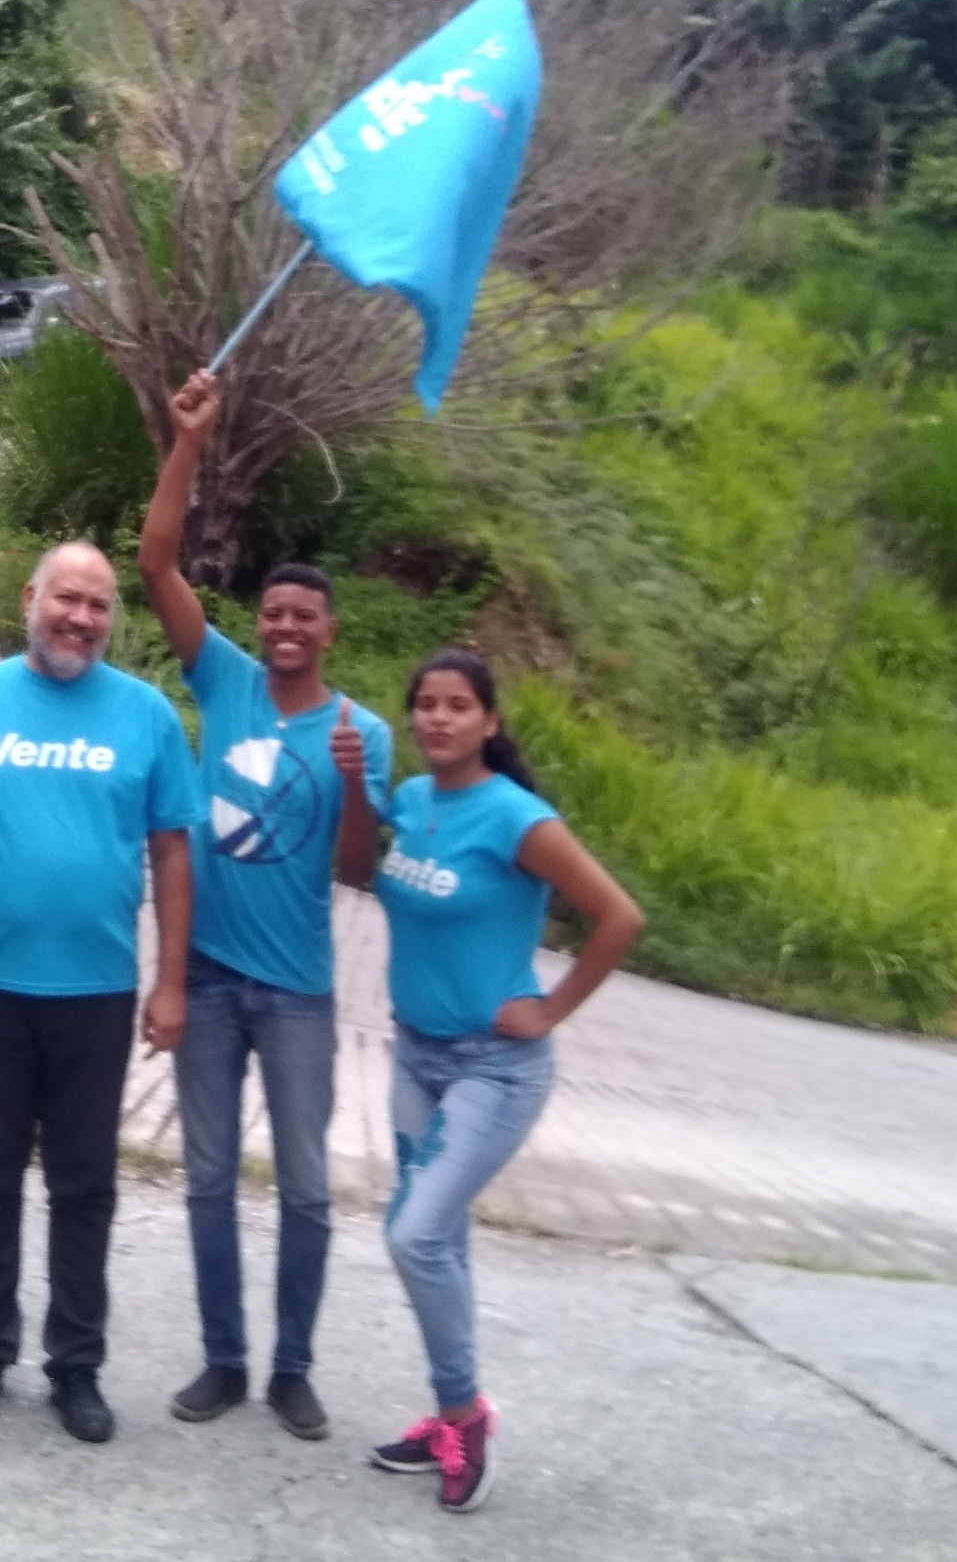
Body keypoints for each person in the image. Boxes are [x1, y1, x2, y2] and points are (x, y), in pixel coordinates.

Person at [0, 540, 203, 1445]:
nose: (81, 619)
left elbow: (175, 849)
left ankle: (76, 1365)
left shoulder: (146, 717)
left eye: (99, 606)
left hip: (97, 991)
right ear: (30, 599)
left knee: (84, 1184)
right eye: (68, 599)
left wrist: (170, 983)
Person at [137, 368, 393, 1441]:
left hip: (294, 992)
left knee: (300, 1190)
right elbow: (153, 564)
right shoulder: (227, 678)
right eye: (274, 613)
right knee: (204, 1182)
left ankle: (292, 1367)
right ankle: (224, 1361)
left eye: (305, 617)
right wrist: (189, 440)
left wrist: (350, 785)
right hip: (205, 978)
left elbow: (358, 870)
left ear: (330, 630)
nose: (286, 627)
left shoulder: (362, 732)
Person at [333, 647, 644, 1516]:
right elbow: (356, 870)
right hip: (415, 1058)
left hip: (493, 1071)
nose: (437, 718)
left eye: (457, 705)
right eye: (425, 704)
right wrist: (359, 790)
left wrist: (550, 1008)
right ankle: (447, 1414)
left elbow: (620, 916)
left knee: (413, 1236)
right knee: (442, 1243)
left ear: (489, 722)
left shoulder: (518, 819)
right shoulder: (414, 801)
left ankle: (466, 1416)